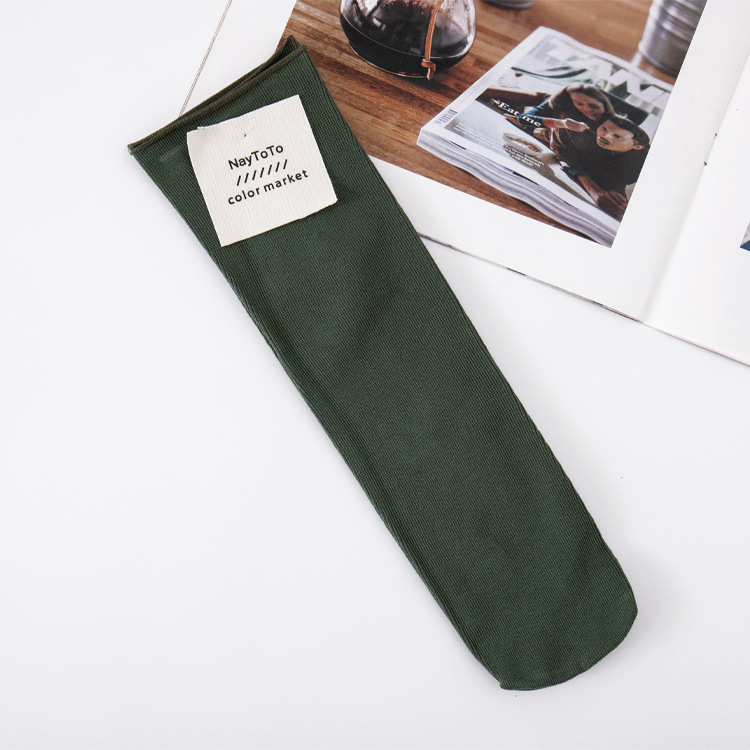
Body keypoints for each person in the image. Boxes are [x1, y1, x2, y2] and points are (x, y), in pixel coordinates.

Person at [558, 115, 651, 221]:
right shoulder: (583, 133)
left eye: (617, 136)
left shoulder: (642, 162)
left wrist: (617, 200)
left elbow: (618, 179)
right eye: (604, 129)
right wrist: (594, 190)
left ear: (637, 147)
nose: (605, 136)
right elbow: (565, 156)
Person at [517, 84, 615, 155]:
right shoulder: (558, 104)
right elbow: (523, 118)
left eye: (592, 105)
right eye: (579, 103)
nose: (587, 109)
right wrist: (561, 123)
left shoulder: (607, 118)